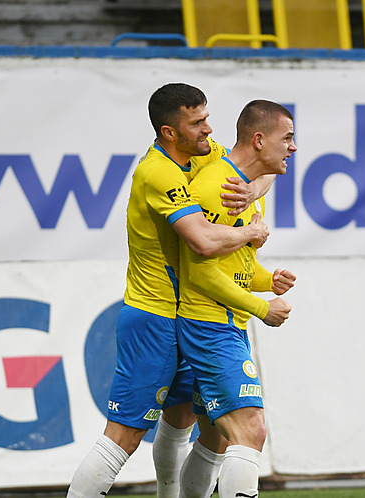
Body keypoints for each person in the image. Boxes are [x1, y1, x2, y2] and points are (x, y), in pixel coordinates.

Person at [67, 84, 275, 498]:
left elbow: (261, 165)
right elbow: (201, 241)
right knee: (122, 438)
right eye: (196, 123)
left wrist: (251, 189)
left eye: (206, 118)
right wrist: (251, 232)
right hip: (153, 316)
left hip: (187, 316)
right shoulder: (158, 171)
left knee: (182, 418)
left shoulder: (202, 154)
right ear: (168, 132)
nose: (208, 129)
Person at [176, 100, 297, 498]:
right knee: (251, 429)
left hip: (226, 324)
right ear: (260, 140)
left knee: (216, 438)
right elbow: (201, 270)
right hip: (209, 326)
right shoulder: (218, 187)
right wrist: (262, 308)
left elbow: (235, 265)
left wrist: (267, 280)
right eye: (288, 138)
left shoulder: (247, 190)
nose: (293, 147)